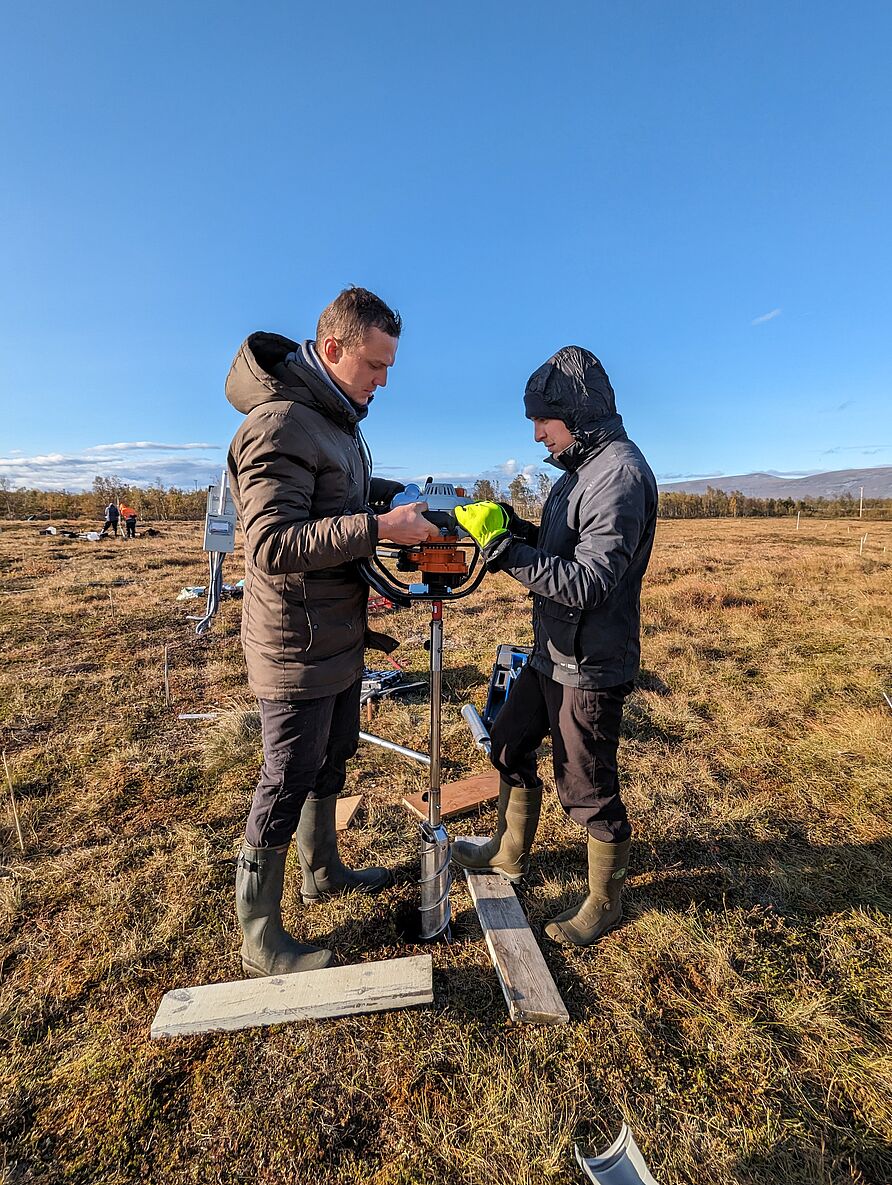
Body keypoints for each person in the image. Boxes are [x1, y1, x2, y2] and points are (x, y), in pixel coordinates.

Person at [226, 287, 438, 978]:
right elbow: (271, 543)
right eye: (376, 365)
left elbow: (332, 503)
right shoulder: (279, 425)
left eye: (389, 367)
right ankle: (260, 936)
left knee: (333, 755)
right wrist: (379, 528)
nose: (384, 380)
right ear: (334, 348)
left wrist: (389, 498)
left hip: (338, 634)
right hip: (295, 642)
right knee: (286, 777)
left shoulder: (338, 423)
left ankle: (322, 870)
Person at [453, 346, 658, 947]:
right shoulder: (578, 473)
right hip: (550, 652)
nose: (537, 433)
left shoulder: (618, 475)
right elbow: (558, 547)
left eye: (544, 420)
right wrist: (514, 529)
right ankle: (507, 851)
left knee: (587, 785)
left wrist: (510, 555)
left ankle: (604, 901)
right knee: (509, 739)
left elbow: (591, 580)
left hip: (590, 663)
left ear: (578, 412)